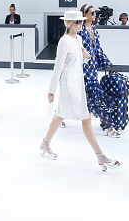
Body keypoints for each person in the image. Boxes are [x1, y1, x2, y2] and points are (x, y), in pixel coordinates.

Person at [40, 10, 120, 171]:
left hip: (78, 80)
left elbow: (82, 59)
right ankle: (100, 156)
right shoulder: (64, 41)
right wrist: (51, 90)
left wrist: (86, 54)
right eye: (78, 22)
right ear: (69, 23)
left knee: (60, 115)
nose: (81, 24)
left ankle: (45, 143)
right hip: (68, 83)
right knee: (86, 118)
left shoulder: (79, 38)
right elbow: (59, 66)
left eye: (82, 22)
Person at [78, 4, 116, 137]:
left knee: (80, 94)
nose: (95, 15)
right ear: (85, 15)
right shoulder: (79, 29)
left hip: (92, 67)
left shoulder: (93, 28)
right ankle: (107, 124)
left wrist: (106, 61)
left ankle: (59, 115)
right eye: (92, 13)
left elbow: (97, 48)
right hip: (82, 67)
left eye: (95, 13)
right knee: (94, 94)